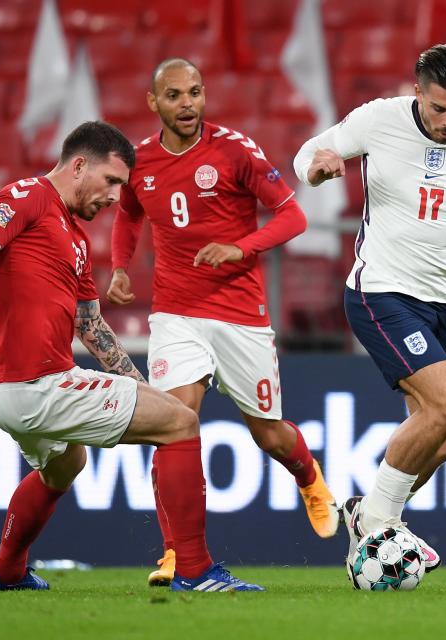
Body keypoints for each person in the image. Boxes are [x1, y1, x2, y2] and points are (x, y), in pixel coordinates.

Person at [0, 121, 263, 593]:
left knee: (66, 464)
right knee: (181, 424)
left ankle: (7, 572)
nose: (117, 197)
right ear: (79, 165)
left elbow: (91, 326)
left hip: (12, 388)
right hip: (34, 384)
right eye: (112, 181)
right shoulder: (27, 196)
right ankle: (196, 571)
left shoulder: (75, 239)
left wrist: (141, 386)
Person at [107, 59, 339, 587]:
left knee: (270, 435)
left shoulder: (235, 150)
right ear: (153, 103)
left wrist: (239, 247)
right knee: (172, 423)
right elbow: (128, 213)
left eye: (193, 92)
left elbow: (292, 216)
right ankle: (176, 553)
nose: (186, 104)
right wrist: (121, 266)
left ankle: (308, 476)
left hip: (239, 314)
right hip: (175, 313)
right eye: (173, 95)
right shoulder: (139, 161)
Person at [293, 42, 446, 570]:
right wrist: (317, 168)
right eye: (438, 107)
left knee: (440, 446)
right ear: (416, 90)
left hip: (442, 301)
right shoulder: (378, 119)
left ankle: (368, 514)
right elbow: (308, 152)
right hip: (381, 291)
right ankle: (377, 522)